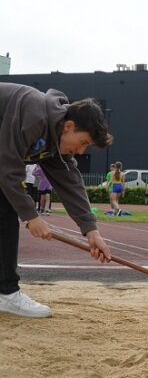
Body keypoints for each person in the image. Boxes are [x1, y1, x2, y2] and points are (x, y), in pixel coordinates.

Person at [0, 82, 113, 318]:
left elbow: (70, 181)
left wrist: (91, 231)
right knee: (6, 204)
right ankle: (6, 293)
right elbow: (7, 170)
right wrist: (31, 216)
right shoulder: (35, 115)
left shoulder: (54, 137)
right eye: (82, 143)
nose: (81, 152)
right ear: (69, 126)